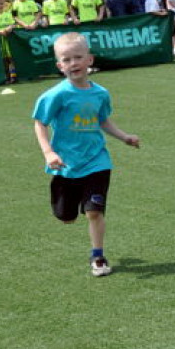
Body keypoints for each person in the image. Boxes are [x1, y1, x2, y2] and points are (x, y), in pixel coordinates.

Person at [33, 32, 140, 278]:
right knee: (66, 216)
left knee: (94, 211)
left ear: (89, 59)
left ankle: (98, 256)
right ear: (60, 66)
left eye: (78, 57)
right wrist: (48, 152)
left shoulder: (100, 93)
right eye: (67, 60)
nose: (73, 63)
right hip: (66, 165)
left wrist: (124, 137)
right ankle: (68, 210)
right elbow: (40, 123)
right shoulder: (56, 95)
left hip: (97, 161)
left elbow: (102, 120)